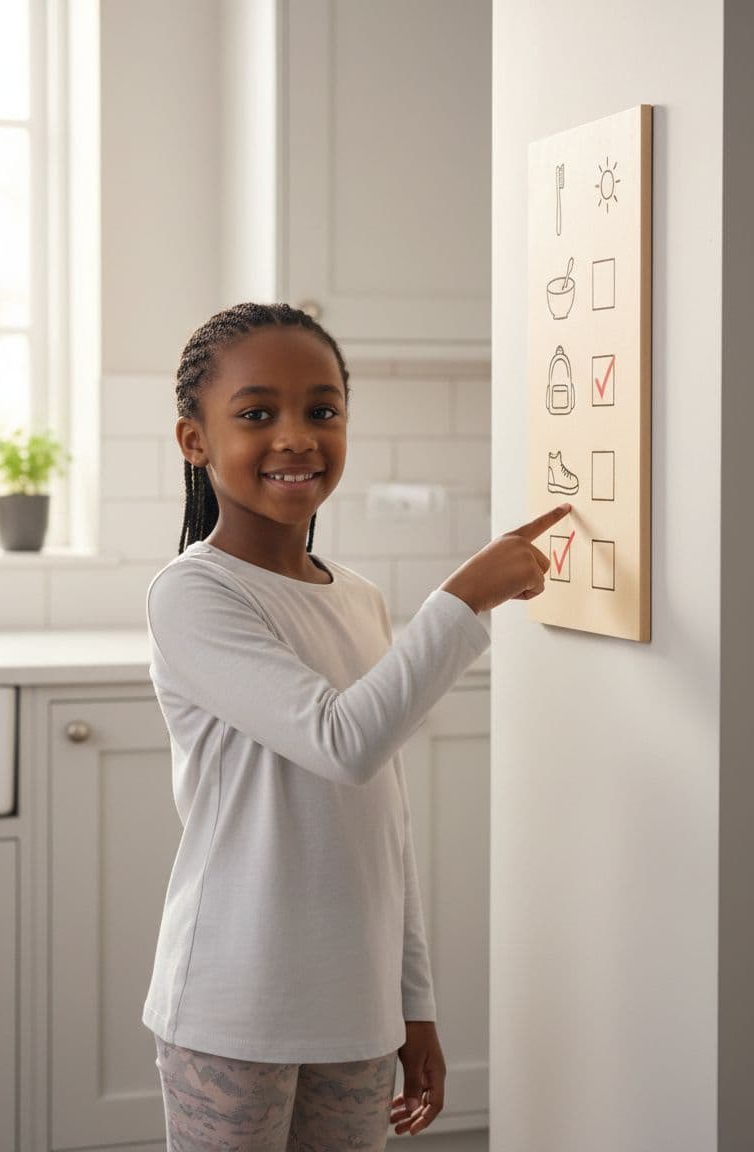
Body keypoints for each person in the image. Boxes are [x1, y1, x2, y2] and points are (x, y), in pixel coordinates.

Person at [142, 302, 570, 1150]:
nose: (297, 436)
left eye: (323, 410)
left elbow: (385, 822)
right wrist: (467, 595)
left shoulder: (361, 599)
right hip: (233, 1008)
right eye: (257, 413)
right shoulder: (194, 594)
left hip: (357, 1010)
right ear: (194, 439)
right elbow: (344, 741)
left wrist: (413, 1005)